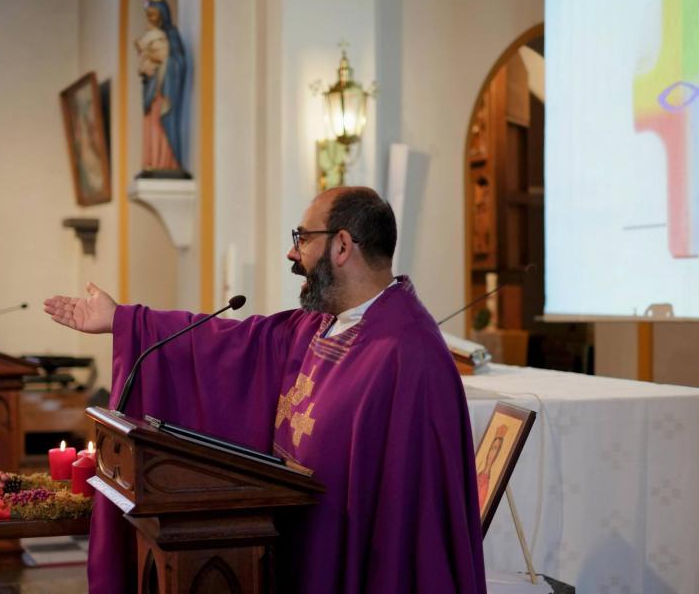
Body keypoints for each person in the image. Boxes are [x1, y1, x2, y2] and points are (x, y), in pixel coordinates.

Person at [45, 187, 486, 593]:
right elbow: (231, 344)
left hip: (350, 563)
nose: (292, 253)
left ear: (342, 245)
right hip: (295, 543)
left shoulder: (408, 356)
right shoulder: (321, 326)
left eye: (303, 238)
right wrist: (126, 320)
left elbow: (413, 519)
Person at [136, 0, 188, 175]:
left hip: (165, 90)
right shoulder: (151, 36)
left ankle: (165, 162)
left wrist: (164, 60)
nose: (150, 19)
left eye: (153, 15)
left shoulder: (171, 35)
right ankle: (153, 160)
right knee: (151, 125)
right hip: (153, 90)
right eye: (148, 15)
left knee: (161, 124)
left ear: (162, 15)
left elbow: (179, 62)